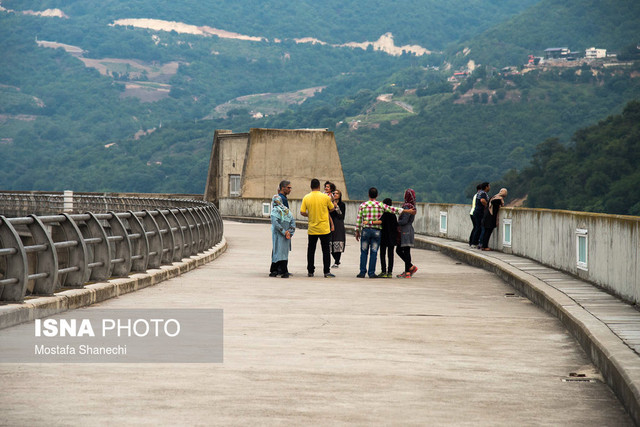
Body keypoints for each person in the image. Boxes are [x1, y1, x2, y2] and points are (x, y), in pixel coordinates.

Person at [355, 187, 415, 278]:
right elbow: (393, 209)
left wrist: (357, 231)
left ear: (368, 195)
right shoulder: (380, 205)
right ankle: (371, 273)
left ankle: (362, 272)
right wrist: (408, 211)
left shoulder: (363, 205)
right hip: (376, 231)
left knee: (364, 252)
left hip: (366, 230)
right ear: (377, 195)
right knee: (374, 252)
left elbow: (359, 219)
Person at [300, 178, 335, 278]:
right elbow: (332, 208)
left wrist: (310, 215)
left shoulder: (306, 197)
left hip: (312, 228)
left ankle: (310, 271)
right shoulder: (325, 197)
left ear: (311, 187)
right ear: (319, 187)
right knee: (326, 250)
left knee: (311, 250)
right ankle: (326, 271)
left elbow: (302, 212)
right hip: (324, 228)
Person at [269, 194, 295, 278]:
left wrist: (284, 232)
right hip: (287, 237)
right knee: (284, 252)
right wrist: (290, 233)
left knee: (277, 252)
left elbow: (275, 223)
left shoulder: (275, 211)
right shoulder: (287, 211)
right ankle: (282, 270)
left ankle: (276, 271)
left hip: (278, 235)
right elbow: (293, 223)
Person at [396, 189, 418, 278]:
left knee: (400, 250)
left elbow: (404, 220)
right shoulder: (413, 206)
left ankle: (409, 269)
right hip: (409, 229)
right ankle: (409, 269)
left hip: (404, 230)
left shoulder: (406, 206)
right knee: (406, 250)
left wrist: (397, 222)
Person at [378, 198, 398, 278]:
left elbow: (380, 223)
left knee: (382, 254)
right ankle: (390, 272)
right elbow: (396, 225)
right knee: (391, 255)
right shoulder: (393, 215)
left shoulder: (384, 214)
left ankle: (383, 271)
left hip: (383, 237)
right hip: (392, 237)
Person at [330, 188, 346, 268]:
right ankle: (337, 260)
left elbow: (342, 216)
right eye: (334, 193)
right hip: (330, 224)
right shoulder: (330, 203)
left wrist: (337, 207)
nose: (335, 194)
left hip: (338, 224)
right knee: (330, 244)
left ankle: (336, 261)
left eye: (337, 193)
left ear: (339, 196)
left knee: (338, 242)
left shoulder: (342, 204)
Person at [471, 182, 490, 249]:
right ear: (486, 187)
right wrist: (488, 206)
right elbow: (482, 200)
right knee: (481, 228)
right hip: (480, 212)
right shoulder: (483, 193)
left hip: (476, 212)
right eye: (488, 186)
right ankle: (480, 243)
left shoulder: (479, 193)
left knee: (477, 227)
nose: (489, 187)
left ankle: (473, 242)